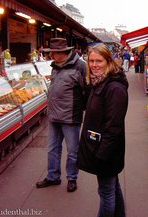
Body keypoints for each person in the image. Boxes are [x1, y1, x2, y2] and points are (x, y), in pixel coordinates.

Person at [77, 43, 128, 217]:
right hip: (99, 146)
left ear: (108, 61)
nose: (94, 65)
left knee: (106, 192)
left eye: (98, 61)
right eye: (91, 61)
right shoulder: (98, 82)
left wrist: (101, 154)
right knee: (112, 186)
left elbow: (114, 126)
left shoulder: (114, 88)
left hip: (106, 150)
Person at [36, 38, 87, 192]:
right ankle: (53, 177)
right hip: (54, 115)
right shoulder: (55, 67)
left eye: (53, 52)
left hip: (71, 116)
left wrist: (80, 109)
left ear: (62, 52)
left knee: (73, 150)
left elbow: (87, 89)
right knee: (52, 149)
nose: (51, 55)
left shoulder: (80, 66)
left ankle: (72, 178)